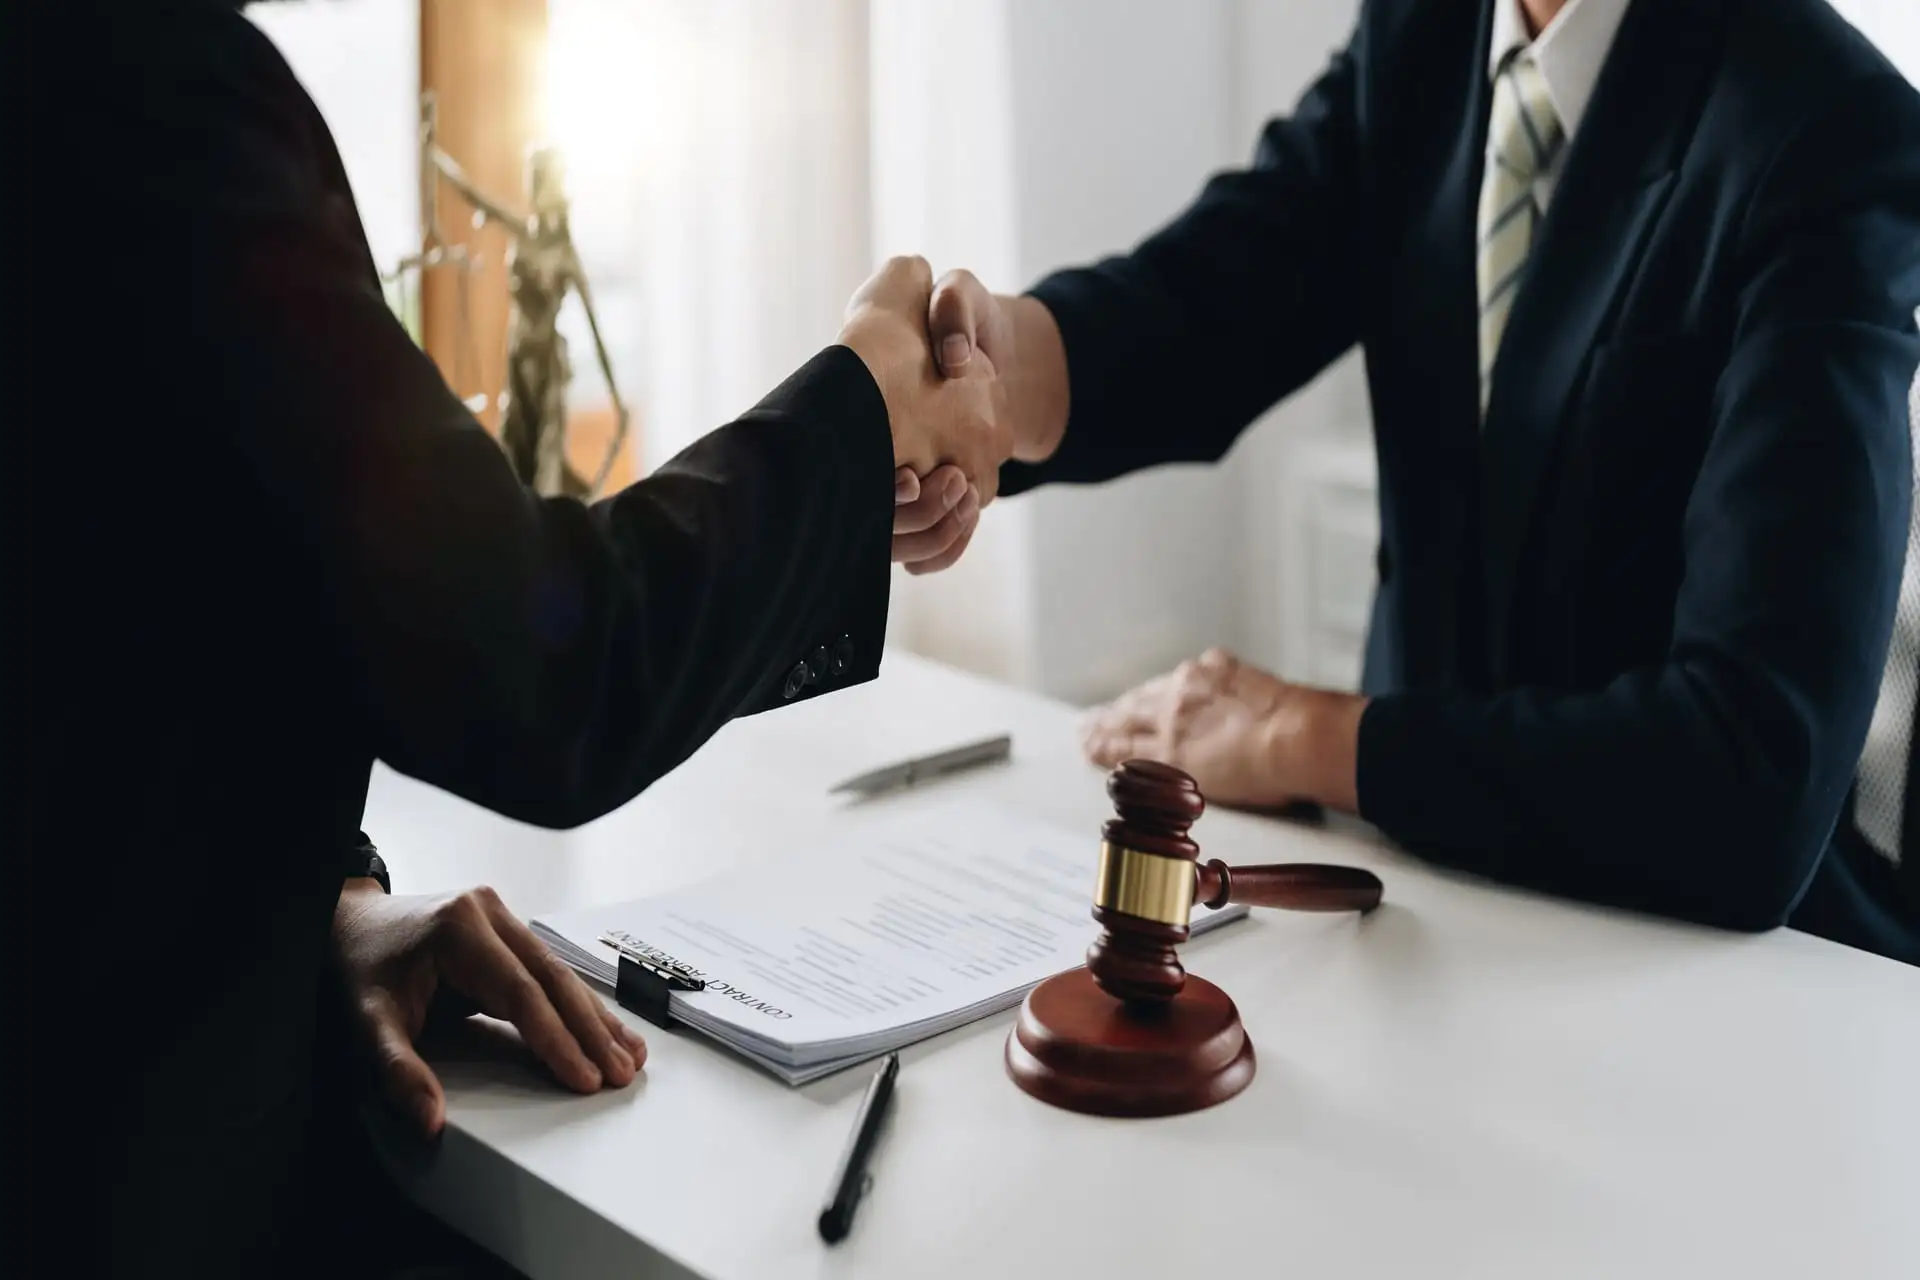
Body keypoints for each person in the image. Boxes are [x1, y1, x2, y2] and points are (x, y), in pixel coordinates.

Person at [22, 2, 1008, 1274]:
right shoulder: (148, 87)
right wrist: (859, 410)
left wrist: (328, 897)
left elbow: (146, 613)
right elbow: (545, 666)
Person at [902, 0, 1920, 963]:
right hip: (1422, 904)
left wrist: (1302, 733)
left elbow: (1750, 784)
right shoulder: (1428, 27)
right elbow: (1217, 296)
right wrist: (988, 377)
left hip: (1714, 975)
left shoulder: (1829, 126)